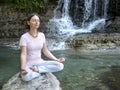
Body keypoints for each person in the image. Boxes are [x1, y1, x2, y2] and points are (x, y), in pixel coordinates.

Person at [19, 13, 65, 81]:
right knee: (26, 77)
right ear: (28, 22)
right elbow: (23, 54)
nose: (37, 22)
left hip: (40, 63)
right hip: (29, 65)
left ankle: (38, 70)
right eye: (34, 20)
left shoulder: (42, 35)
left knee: (60, 66)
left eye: (38, 20)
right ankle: (42, 71)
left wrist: (56, 59)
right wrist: (23, 67)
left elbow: (45, 51)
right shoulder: (24, 37)